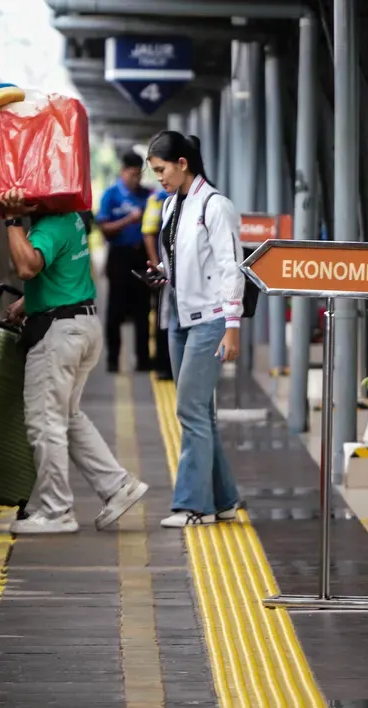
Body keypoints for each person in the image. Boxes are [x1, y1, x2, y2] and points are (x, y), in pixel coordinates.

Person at [0, 188, 148, 535]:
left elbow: (27, 266)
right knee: (67, 416)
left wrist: (12, 219)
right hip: (81, 323)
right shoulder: (72, 220)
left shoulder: (48, 226)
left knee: (45, 423)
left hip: (58, 335)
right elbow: (62, 271)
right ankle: (117, 485)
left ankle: (56, 510)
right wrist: (26, 304)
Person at [141, 131, 243, 528]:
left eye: (162, 170)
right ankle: (225, 500)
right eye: (155, 172)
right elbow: (184, 260)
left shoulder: (216, 206)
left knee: (189, 409)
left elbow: (230, 267)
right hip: (179, 319)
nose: (159, 179)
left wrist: (231, 327)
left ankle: (193, 506)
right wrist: (162, 273)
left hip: (211, 320)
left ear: (183, 164)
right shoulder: (171, 205)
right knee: (202, 412)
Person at [95, 151, 153, 373]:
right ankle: (112, 358)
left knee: (142, 309)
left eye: (139, 175)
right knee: (115, 311)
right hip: (119, 256)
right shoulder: (111, 195)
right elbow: (103, 227)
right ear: (122, 172)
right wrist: (129, 220)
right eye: (132, 175)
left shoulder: (148, 195)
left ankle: (143, 359)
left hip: (142, 257)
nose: (136, 179)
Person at [141, 186, 174, 382]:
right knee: (164, 316)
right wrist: (156, 264)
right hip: (167, 269)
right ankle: (164, 366)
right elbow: (148, 232)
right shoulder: (158, 199)